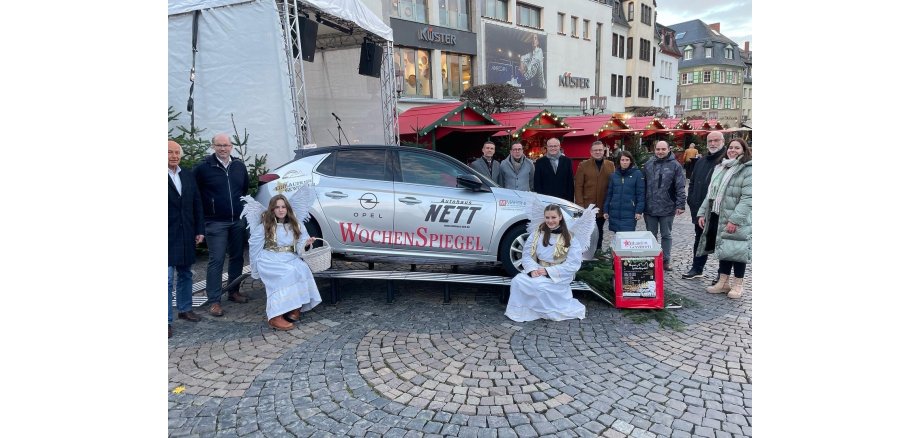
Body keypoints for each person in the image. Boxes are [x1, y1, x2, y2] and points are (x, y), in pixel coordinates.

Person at [241, 186, 323, 330]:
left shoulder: (296, 224)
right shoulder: (265, 226)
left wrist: (306, 244)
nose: (280, 210)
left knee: (302, 269)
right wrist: (254, 268)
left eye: (283, 207)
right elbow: (254, 246)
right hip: (269, 259)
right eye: (277, 207)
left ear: (288, 208)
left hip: (289, 256)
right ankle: (275, 316)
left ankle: (295, 307)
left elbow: (300, 247)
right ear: (272, 209)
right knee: (287, 273)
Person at [194, 133, 251, 317]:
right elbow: (195, 195)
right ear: (213, 147)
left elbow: (243, 189)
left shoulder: (239, 166)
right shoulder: (203, 168)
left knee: (237, 257)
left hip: (237, 221)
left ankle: (233, 291)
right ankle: (214, 301)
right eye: (219, 145)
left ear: (231, 146)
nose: (222, 148)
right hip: (215, 222)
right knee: (216, 260)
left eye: (226, 145)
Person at [505, 204, 586, 322]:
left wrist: (548, 271)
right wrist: (532, 270)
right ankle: (523, 310)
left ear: (560, 217)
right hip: (538, 268)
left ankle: (545, 310)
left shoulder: (570, 237)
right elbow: (526, 255)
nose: (550, 221)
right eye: (547, 217)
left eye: (553, 217)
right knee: (517, 281)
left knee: (540, 287)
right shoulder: (537, 233)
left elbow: (573, 264)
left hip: (558, 274)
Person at [696, 138, 752, 299]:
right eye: (730, 147)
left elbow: (748, 198)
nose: (732, 150)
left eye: (737, 148)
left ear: (743, 150)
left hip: (736, 218)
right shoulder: (722, 167)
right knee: (724, 249)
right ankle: (723, 282)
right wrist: (702, 212)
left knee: (737, 251)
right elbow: (711, 193)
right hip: (719, 215)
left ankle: (738, 285)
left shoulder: (747, 169)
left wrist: (735, 220)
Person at [168, 140, 205, 338]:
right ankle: (165, 321)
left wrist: (199, 229)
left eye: (176, 153)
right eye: (169, 152)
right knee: (165, 280)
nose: (174, 156)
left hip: (186, 234)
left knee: (186, 274)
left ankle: (185, 308)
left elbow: (197, 204)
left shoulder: (187, 176)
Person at [682, 132, 726, 279]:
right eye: (710, 141)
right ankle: (697, 268)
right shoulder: (701, 161)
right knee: (699, 239)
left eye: (716, 140)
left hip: (718, 210)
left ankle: (722, 275)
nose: (713, 143)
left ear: (722, 141)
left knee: (721, 242)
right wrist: (691, 200)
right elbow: (692, 182)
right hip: (699, 209)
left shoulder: (726, 160)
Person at [642, 141, 686, 271]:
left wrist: (680, 204)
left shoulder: (675, 166)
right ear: (654, 150)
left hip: (667, 207)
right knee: (651, 235)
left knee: (666, 235)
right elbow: (642, 186)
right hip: (649, 207)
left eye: (663, 149)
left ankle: (665, 260)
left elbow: (680, 186)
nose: (660, 151)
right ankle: (652, 258)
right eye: (658, 149)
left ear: (668, 149)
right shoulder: (648, 165)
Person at [575, 141, 616, 248]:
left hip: (603, 205)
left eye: (600, 150)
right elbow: (578, 187)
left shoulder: (610, 165)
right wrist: (580, 206)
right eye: (595, 150)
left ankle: (598, 251)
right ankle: (586, 253)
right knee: (588, 231)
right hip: (588, 206)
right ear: (591, 152)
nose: (598, 152)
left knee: (600, 230)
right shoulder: (583, 165)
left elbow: (613, 185)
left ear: (604, 151)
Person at [602, 151, 645, 235]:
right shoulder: (614, 176)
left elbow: (641, 194)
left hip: (630, 212)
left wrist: (639, 211)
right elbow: (609, 194)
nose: (625, 162)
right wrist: (606, 210)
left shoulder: (637, 174)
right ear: (619, 161)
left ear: (631, 161)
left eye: (627, 160)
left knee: (627, 236)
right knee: (617, 235)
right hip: (615, 211)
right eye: (622, 160)